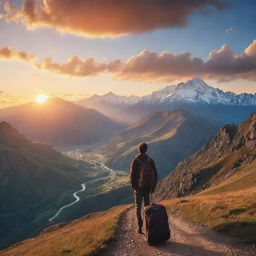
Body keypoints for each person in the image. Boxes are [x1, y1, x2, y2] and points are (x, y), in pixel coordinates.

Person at [130, 142, 158, 234]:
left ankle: (140, 227)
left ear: (139, 149)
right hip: (147, 188)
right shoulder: (151, 160)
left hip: (138, 188)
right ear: (146, 149)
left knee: (138, 207)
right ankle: (148, 226)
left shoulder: (135, 160)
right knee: (147, 208)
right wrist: (153, 187)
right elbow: (155, 174)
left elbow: (132, 176)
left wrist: (134, 187)